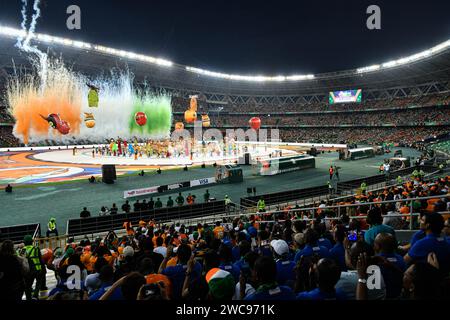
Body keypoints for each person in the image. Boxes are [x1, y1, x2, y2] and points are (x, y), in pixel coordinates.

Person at [19, 235, 46, 300]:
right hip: (37, 269)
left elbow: (22, 260)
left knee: (28, 286)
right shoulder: (36, 248)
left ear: (24, 242)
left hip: (28, 271)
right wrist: (44, 269)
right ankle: (35, 295)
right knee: (38, 283)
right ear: (32, 241)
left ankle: (28, 298)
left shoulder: (22, 250)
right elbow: (41, 260)